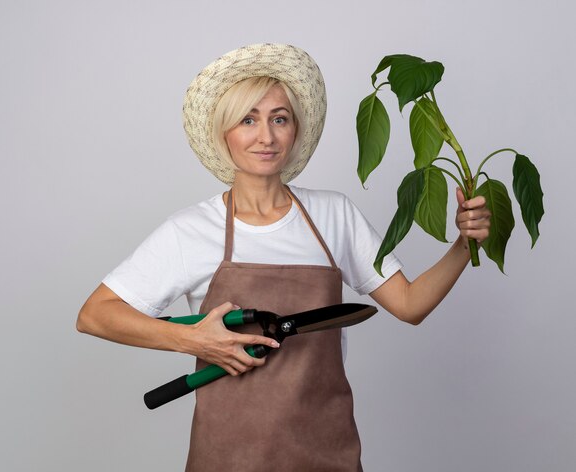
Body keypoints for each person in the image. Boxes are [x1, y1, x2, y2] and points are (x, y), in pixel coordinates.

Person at [77, 43, 491, 471]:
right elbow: (95, 315)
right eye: (248, 120)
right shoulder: (191, 231)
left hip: (327, 450)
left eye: (279, 119)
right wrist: (192, 339)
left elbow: (410, 305)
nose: (266, 137)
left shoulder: (334, 215)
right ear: (225, 134)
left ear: (295, 130)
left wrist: (464, 242)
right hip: (228, 458)